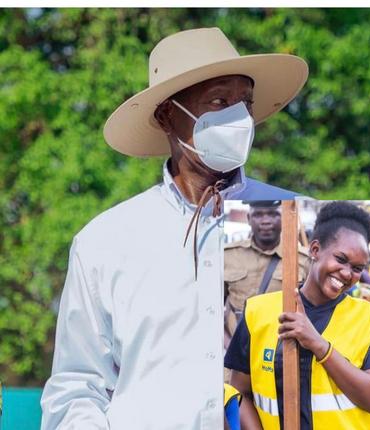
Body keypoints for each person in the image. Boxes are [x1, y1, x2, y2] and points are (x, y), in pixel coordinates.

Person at [40, 27, 308, 429]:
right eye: (218, 101)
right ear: (168, 114)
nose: (237, 118)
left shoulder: (294, 216)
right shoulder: (105, 241)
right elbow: (78, 386)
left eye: (244, 103)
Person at [225, 201, 370, 429]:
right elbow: (241, 393)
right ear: (315, 250)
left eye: (357, 268)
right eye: (341, 259)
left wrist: (318, 344)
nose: (347, 273)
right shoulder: (258, 311)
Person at [224, 200, 310, 348]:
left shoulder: (302, 260)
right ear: (249, 219)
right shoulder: (228, 256)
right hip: (235, 350)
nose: (265, 221)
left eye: (273, 214)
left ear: (284, 218)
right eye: (258, 215)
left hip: (281, 353)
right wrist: (229, 346)